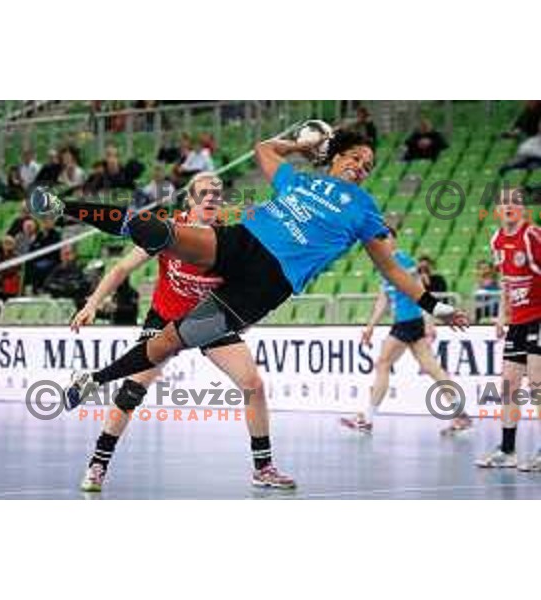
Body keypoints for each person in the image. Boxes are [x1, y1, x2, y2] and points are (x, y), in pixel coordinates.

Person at [30, 128, 468, 416]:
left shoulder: (364, 209)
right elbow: (263, 148)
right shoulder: (299, 181)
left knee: (166, 343)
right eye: (355, 156)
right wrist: (300, 146)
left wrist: (435, 305)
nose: (361, 166)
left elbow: (391, 267)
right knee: (156, 230)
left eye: (368, 165)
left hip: (266, 285)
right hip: (243, 243)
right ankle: (62, 207)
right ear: (335, 157)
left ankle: (91, 380)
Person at [69, 172, 294, 492]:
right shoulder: (172, 230)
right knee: (133, 390)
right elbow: (121, 268)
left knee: (253, 385)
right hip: (164, 318)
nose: (210, 199)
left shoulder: (232, 237)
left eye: (216, 194)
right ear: (189, 200)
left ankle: (264, 468)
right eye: (203, 193)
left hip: (207, 320)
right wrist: (92, 303)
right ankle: (97, 465)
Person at [340, 228, 472, 434]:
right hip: (408, 323)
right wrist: (370, 327)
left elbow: (421, 291)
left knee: (383, 363)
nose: (382, 241)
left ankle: (367, 419)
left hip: (408, 321)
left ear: (394, 240)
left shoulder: (404, 261)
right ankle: (460, 414)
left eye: (386, 237)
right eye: (379, 237)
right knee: (432, 368)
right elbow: (384, 298)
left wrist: (430, 322)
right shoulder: (383, 264)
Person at [476, 187, 541, 470]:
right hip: (518, 320)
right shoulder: (497, 240)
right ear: (498, 210)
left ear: (524, 209)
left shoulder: (532, 236)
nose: (509, 206)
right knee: (510, 385)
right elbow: (505, 281)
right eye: (504, 202)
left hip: (539, 316)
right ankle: (508, 449)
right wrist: (503, 315)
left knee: (538, 385)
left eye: (515, 202)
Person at [42, 244, 88, 309]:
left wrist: (64, 287)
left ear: (74, 255)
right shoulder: (57, 270)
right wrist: (65, 287)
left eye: (68, 254)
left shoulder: (80, 269)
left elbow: (83, 286)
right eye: (63, 254)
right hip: (59, 306)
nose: (65, 257)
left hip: (77, 305)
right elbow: (47, 285)